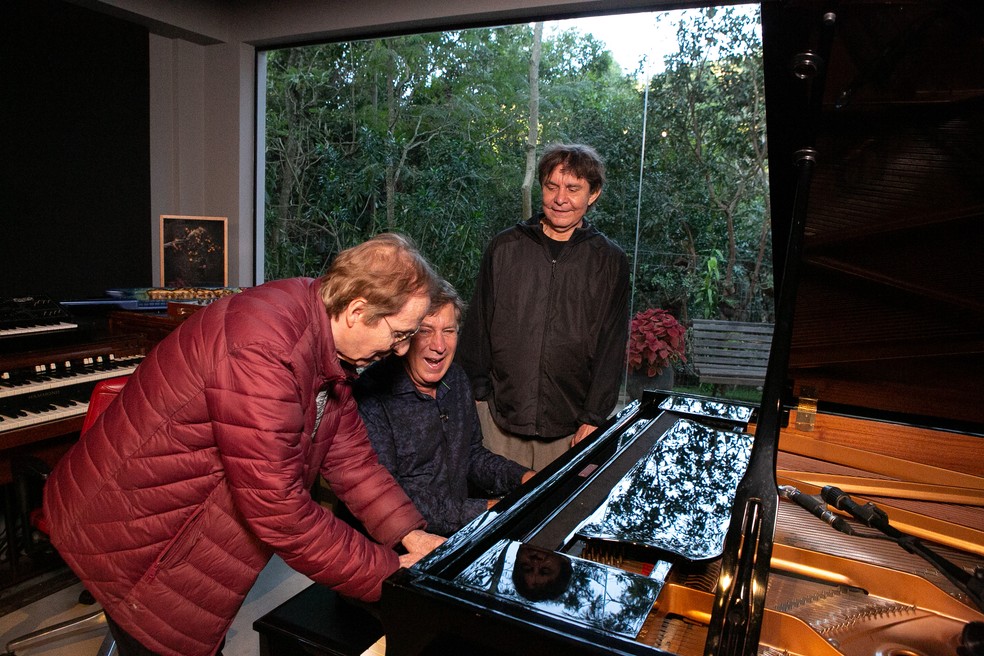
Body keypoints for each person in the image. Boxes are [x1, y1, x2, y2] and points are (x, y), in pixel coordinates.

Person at [42, 233, 447, 656]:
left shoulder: (319, 324)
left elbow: (350, 457)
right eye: (400, 334)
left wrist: (409, 534)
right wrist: (385, 571)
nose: (401, 349)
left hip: (165, 526)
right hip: (133, 537)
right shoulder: (265, 351)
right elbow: (281, 510)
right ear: (357, 310)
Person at [457, 143, 630, 470]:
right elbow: (477, 327)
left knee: (560, 517)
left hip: (571, 427)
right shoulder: (505, 247)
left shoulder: (609, 260)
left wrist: (594, 416)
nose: (560, 198)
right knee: (501, 514)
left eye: (573, 189)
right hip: (499, 420)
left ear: (593, 195)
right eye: (552, 187)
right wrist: (477, 399)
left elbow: (612, 344)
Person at [355, 281, 535, 537]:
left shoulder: (458, 378)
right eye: (426, 331)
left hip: (459, 532)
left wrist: (522, 477)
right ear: (404, 335)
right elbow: (390, 496)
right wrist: (486, 510)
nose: (439, 346)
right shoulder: (372, 395)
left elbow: (471, 454)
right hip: (402, 543)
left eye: (448, 331)